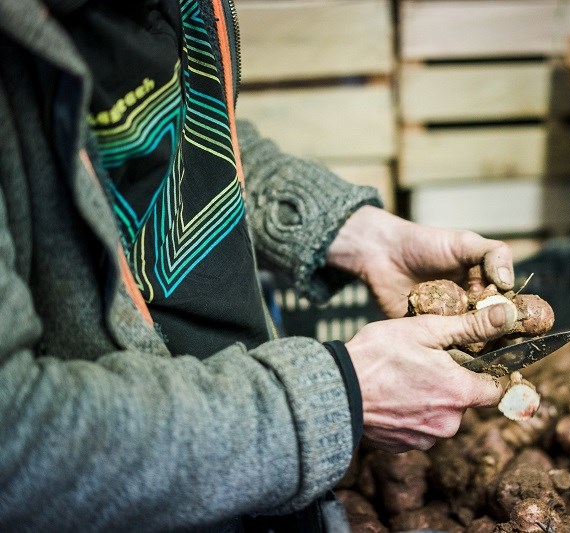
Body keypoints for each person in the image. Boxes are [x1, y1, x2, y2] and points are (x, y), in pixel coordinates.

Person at [0, 0, 519, 530]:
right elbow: (13, 441)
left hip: (258, 483)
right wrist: (329, 399)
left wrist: (360, 237)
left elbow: (171, 132)